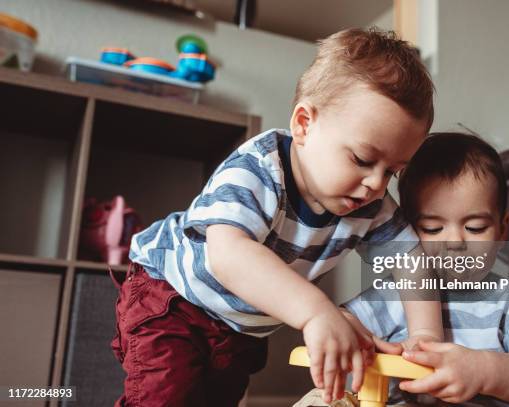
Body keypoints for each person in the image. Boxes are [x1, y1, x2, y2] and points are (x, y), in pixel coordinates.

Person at [110, 27, 442, 407]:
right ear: (304, 125)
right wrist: (317, 311)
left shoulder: (371, 206)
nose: (375, 185)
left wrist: (426, 334)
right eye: (363, 160)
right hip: (171, 298)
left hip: (237, 329)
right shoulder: (260, 169)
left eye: (392, 172)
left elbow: (411, 258)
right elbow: (229, 256)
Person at [343, 133, 509, 406]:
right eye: (432, 228)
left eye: (475, 227)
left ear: (503, 230)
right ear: (405, 234)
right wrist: (349, 335)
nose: (455, 242)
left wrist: (482, 370)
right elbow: (340, 324)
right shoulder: (394, 296)